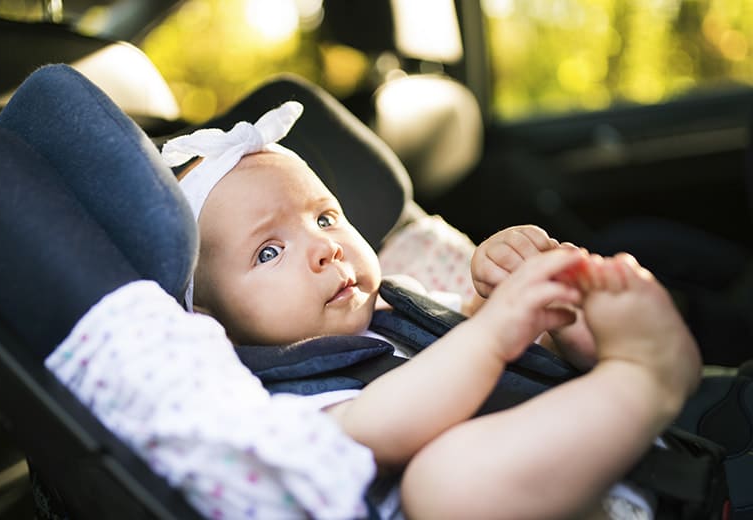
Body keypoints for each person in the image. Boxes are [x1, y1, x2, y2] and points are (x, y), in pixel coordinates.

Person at [157, 101, 703, 518]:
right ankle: (646, 379)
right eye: (269, 252)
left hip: (612, 469)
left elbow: (499, 351)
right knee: (442, 484)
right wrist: (493, 331)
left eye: (324, 218)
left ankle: (612, 369)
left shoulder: (404, 302)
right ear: (210, 323)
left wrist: (521, 300)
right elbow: (375, 425)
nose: (326, 247)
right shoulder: (274, 404)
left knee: (567, 328)